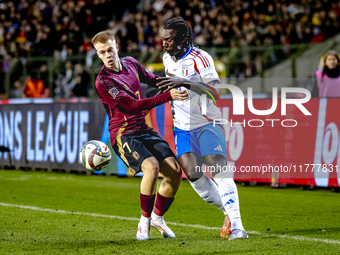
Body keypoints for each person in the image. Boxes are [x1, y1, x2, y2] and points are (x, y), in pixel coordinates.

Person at [157, 17, 248, 240]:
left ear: (181, 38)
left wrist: (185, 83)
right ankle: (227, 212)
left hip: (207, 122)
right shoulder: (166, 59)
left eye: (168, 40)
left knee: (218, 168)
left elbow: (216, 93)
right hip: (182, 127)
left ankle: (238, 227)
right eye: (162, 39)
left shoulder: (201, 58)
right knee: (193, 174)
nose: (164, 44)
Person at [92, 31, 188, 240]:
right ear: (98, 55)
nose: (107, 55)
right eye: (102, 53)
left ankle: (157, 218)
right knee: (151, 167)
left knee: (174, 171)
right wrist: (168, 95)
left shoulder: (132, 64)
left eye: (109, 49)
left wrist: (175, 82)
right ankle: (143, 222)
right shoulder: (104, 82)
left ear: (116, 46)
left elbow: (152, 80)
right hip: (123, 134)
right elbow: (132, 106)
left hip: (143, 129)